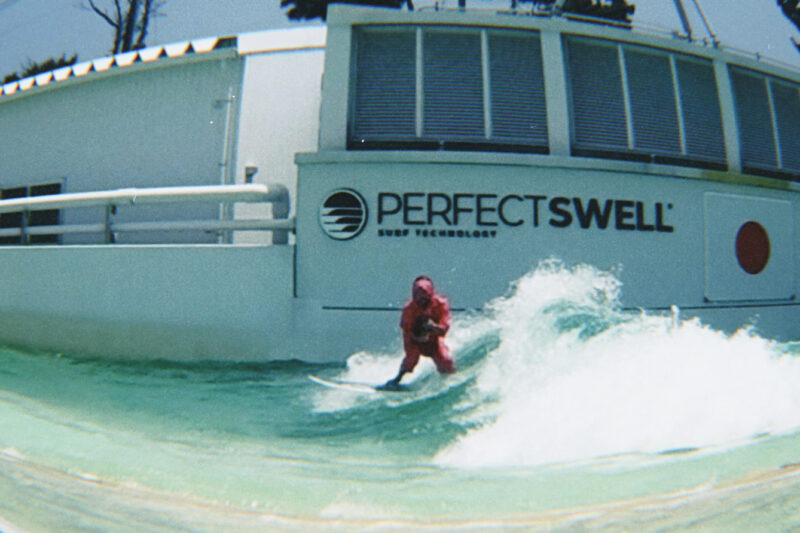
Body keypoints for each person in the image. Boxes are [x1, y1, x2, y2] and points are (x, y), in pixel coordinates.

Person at [384, 275, 454, 388]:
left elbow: (444, 328)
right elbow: (406, 331)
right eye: (417, 295)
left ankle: (449, 380)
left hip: (433, 339)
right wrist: (417, 336)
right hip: (414, 341)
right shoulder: (409, 309)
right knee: (411, 358)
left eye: (424, 295)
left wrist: (433, 328)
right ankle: (397, 379)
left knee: (445, 359)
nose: (421, 299)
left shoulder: (441, 304)